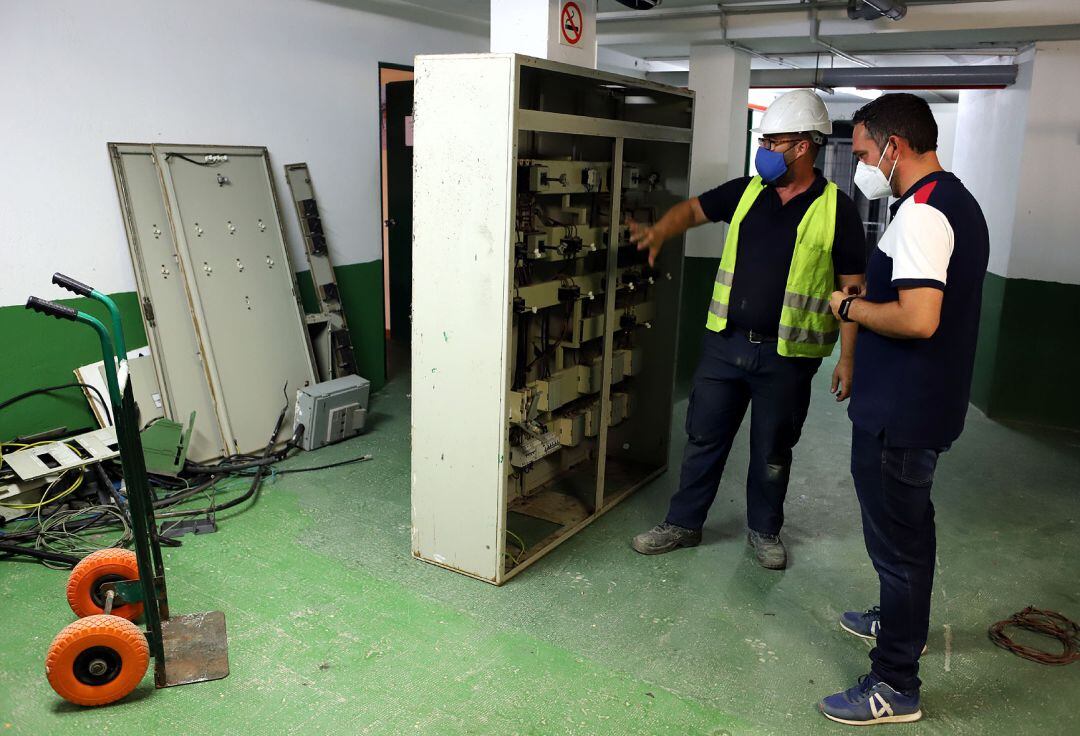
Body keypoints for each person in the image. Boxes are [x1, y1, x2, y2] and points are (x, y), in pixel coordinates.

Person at [629, 90, 866, 570]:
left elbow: (851, 289)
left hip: (787, 358)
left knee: (773, 451)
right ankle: (683, 523)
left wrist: (847, 358)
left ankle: (764, 531)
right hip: (725, 343)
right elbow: (693, 210)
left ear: (803, 146)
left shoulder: (837, 210)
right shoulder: (746, 191)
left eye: (772, 141)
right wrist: (660, 232)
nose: (764, 150)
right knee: (702, 439)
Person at [818, 93, 989, 726]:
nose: (860, 163)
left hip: (901, 414)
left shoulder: (921, 212)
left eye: (862, 152)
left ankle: (895, 684)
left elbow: (919, 319)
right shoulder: (955, 201)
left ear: (894, 146)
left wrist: (849, 309)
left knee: (897, 547)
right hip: (923, 404)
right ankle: (900, 625)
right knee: (910, 534)